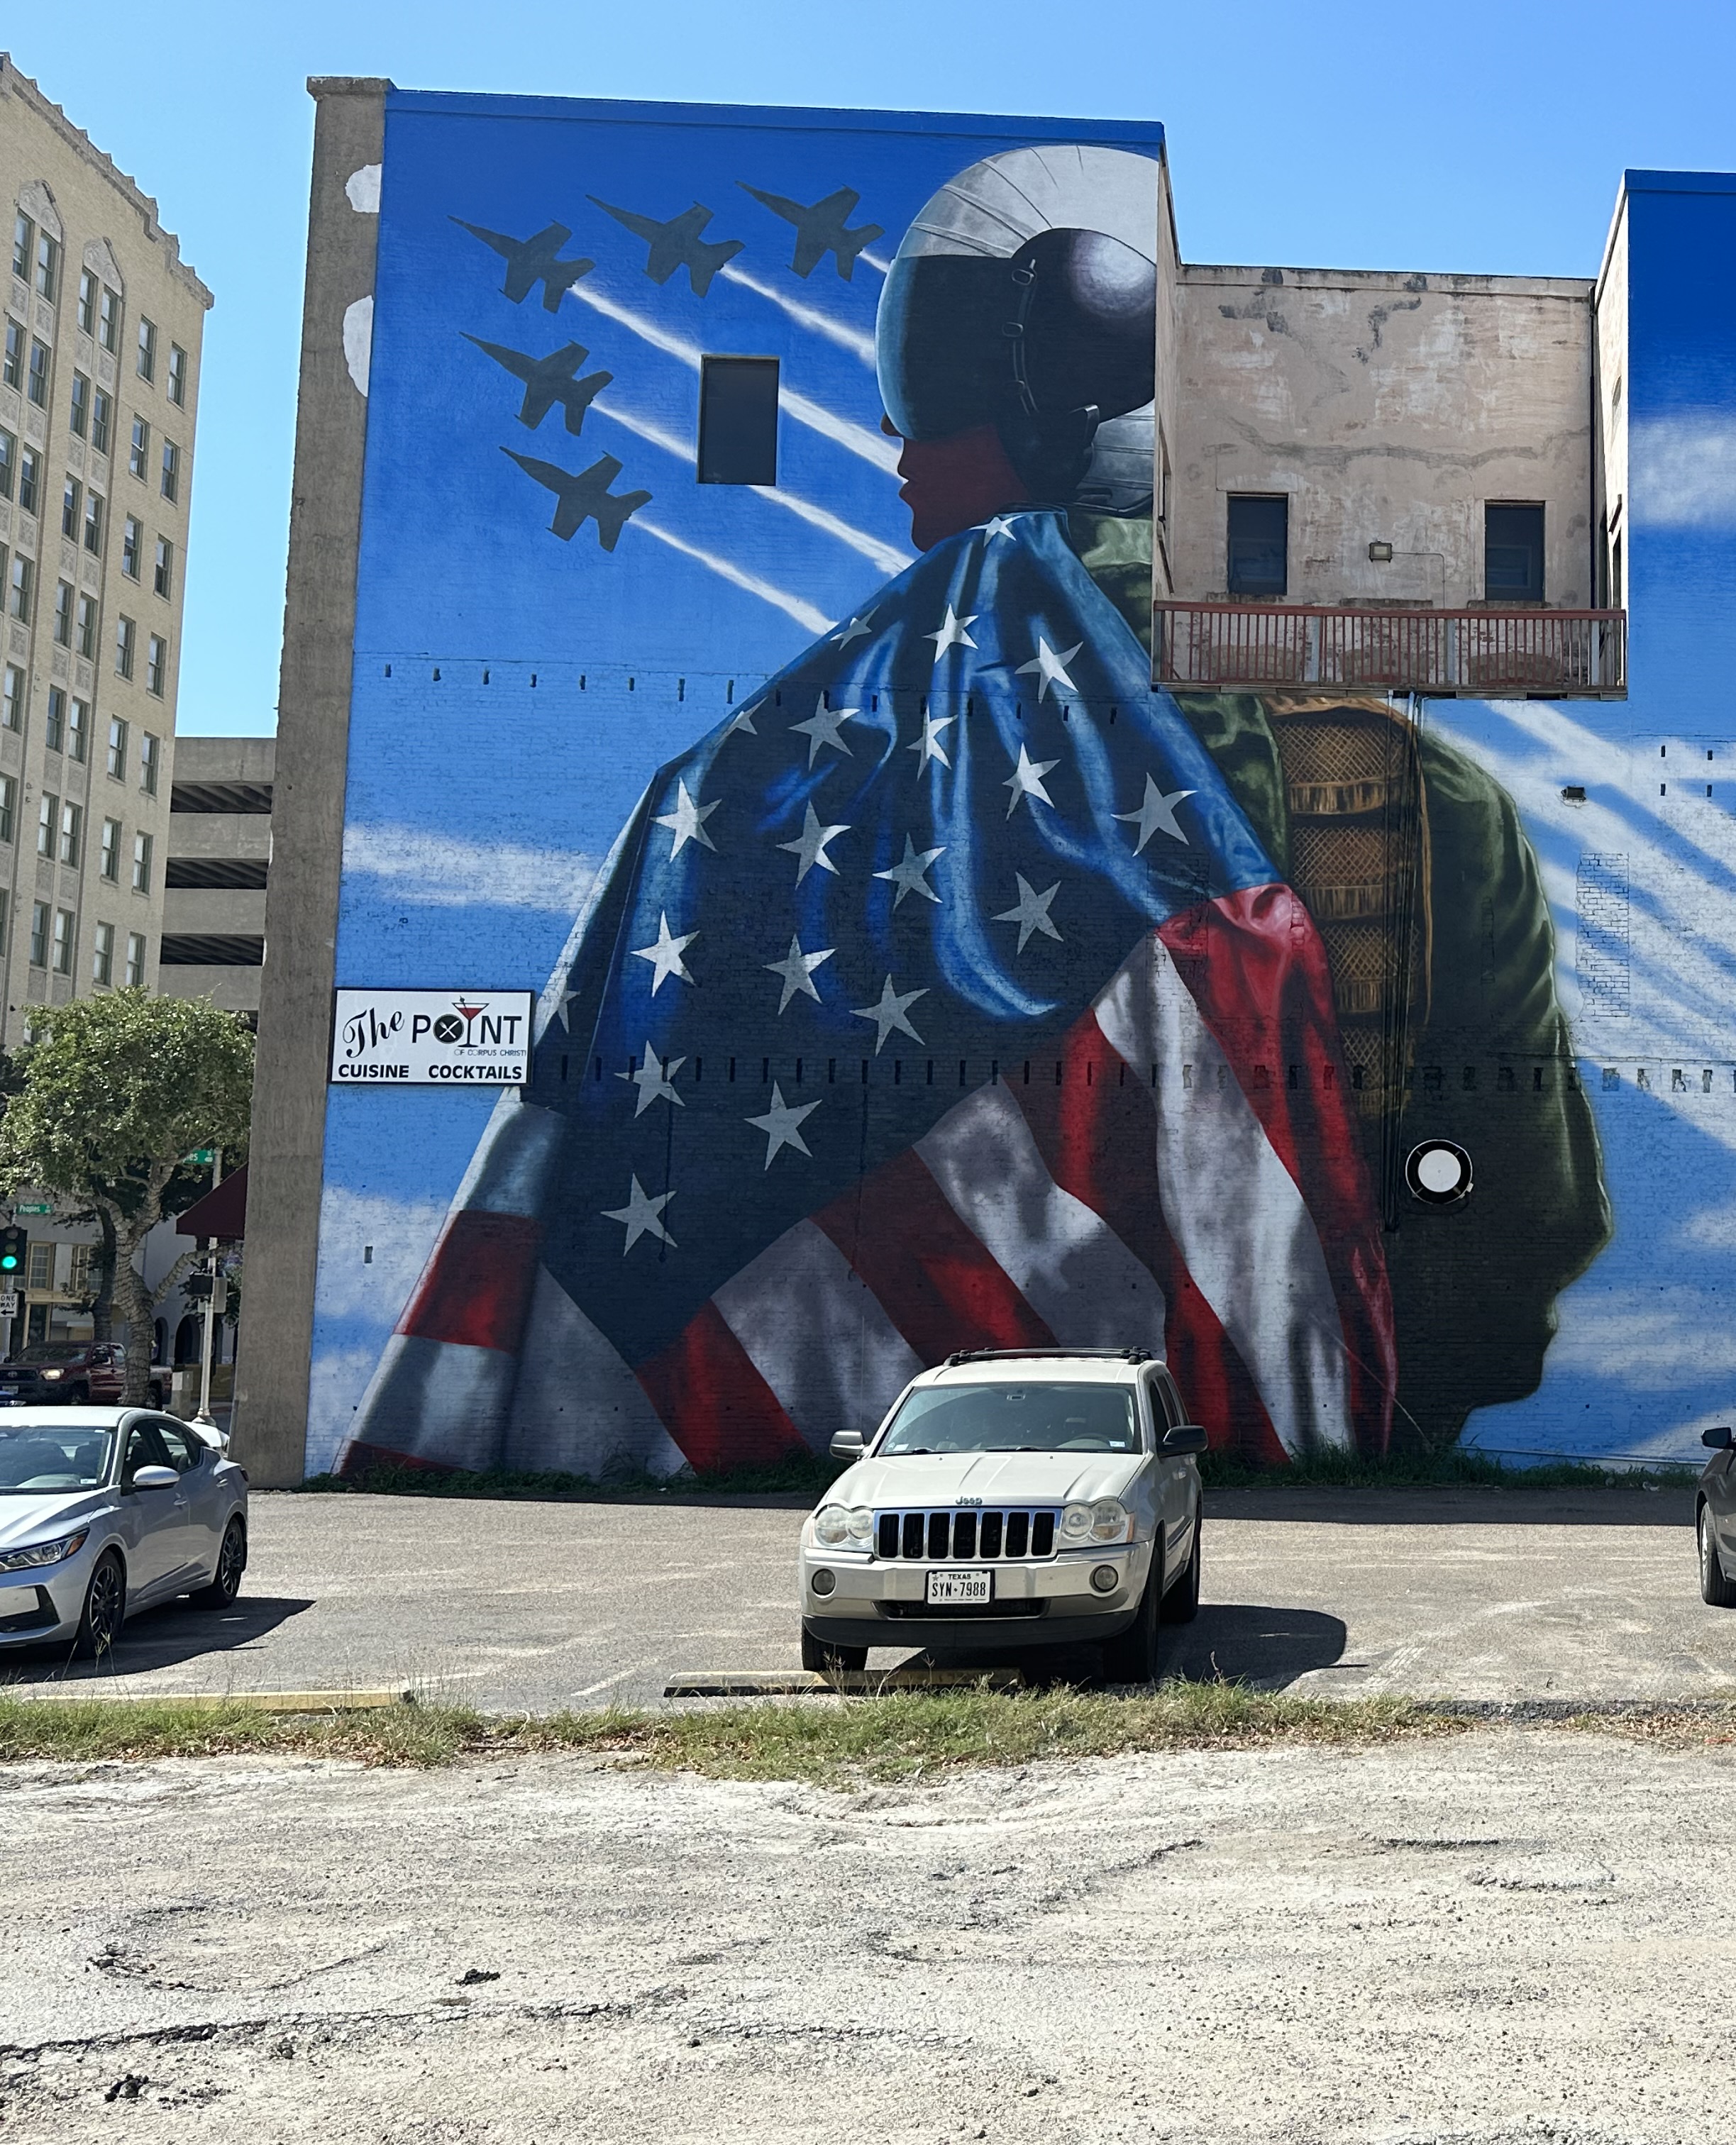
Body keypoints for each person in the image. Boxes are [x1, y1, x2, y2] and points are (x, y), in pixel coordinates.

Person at [345, 145, 1605, 1480]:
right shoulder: (1436, 794)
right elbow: (1525, 1227)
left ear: (1071, 381)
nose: (895, 443)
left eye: (934, 383)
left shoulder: (739, 779)